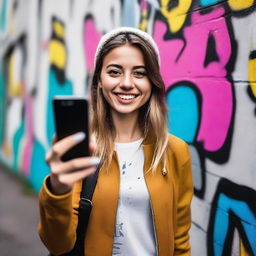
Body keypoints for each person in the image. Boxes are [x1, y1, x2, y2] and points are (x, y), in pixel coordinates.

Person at [38, 27, 194, 256]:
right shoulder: (83, 149)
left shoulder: (174, 151)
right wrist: (57, 189)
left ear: (152, 83)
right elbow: (57, 244)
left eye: (139, 73)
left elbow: (180, 240)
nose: (127, 83)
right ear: (99, 80)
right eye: (114, 72)